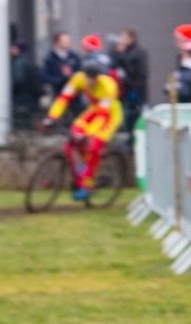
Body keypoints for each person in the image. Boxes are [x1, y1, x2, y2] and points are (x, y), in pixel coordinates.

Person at [42, 57, 123, 201]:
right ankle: (84, 166)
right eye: (87, 77)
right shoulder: (78, 78)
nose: (89, 81)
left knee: (94, 145)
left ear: (98, 77)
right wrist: (51, 118)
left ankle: (87, 185)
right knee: (75, 132)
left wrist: (89, 135)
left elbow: (103, 116)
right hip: (93, 111)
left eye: (93, 79)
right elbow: (63, 98)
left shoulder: (108, 86)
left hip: (110, 115)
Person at [113, 29, 149, 113]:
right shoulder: (125, 51)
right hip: (126, 89)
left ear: (131, 38)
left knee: (133, 113)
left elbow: (140, 72)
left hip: (135, 89)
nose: (122, 40)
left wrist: (136, 88)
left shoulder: (138, 52)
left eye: (124, 38)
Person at [40, 32, 80, 98]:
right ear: (57, 42)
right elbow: (45, 76)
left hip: (74, 94)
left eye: (68, 41)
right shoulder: (49, 58)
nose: (67, 43)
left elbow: (79, 71)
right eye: (64, 41)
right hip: (57, 93)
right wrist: (60, 80)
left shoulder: (74, 56)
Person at [10, 40, 40, 128]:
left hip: (21, 100)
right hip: (31, 99)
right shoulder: (29, 60)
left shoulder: (19, 62)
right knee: (29, 124)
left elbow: (18, 80)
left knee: (21, 124)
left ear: (18, 49)